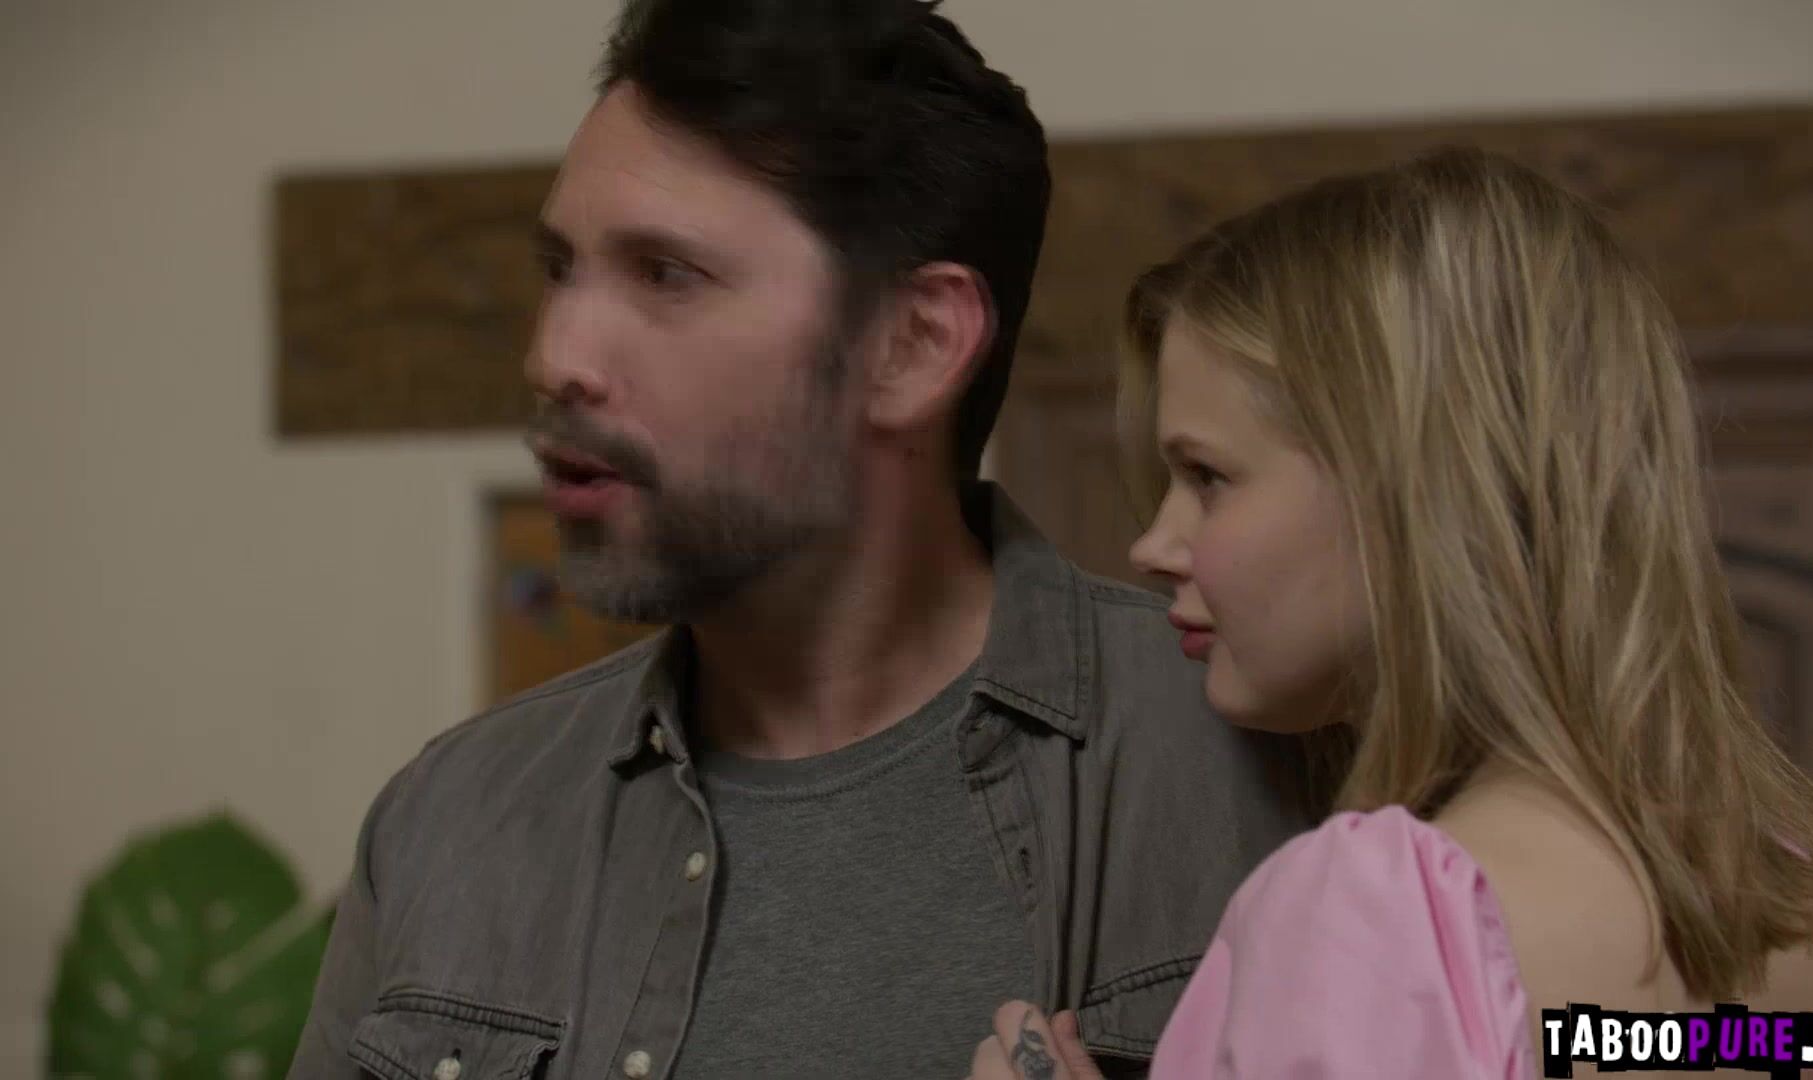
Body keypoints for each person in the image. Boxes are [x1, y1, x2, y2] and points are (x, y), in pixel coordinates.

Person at [289, 1, 1317, 1077]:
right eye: (560, 270)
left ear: (914, 345)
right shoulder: (445, 823)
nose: (555, 357)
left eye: (666, 274)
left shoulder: (1274, 761)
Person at [969, 148, 1813, 1078]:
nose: (1155, 545)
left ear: (1411, 494)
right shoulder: (1812, 930)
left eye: (1208, 476)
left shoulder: (1374, 917)